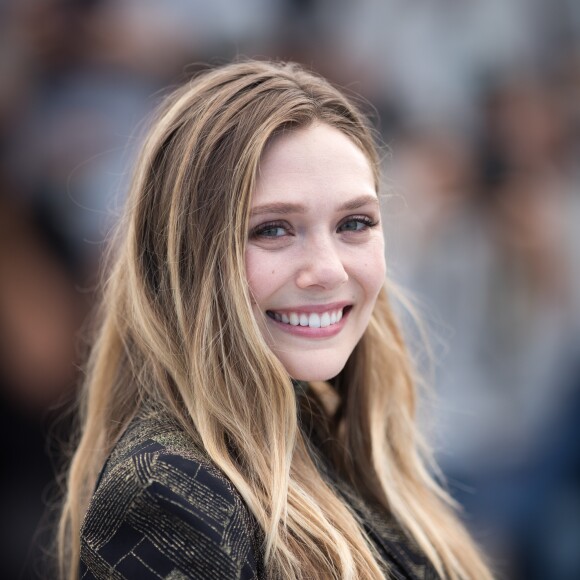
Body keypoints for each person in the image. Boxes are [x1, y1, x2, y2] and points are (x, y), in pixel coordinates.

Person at [58, 60, 492, 579]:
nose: (328, 271)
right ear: (183, 258)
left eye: (354, 223)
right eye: (273, 230)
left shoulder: (334, 433)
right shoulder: (164, 494)